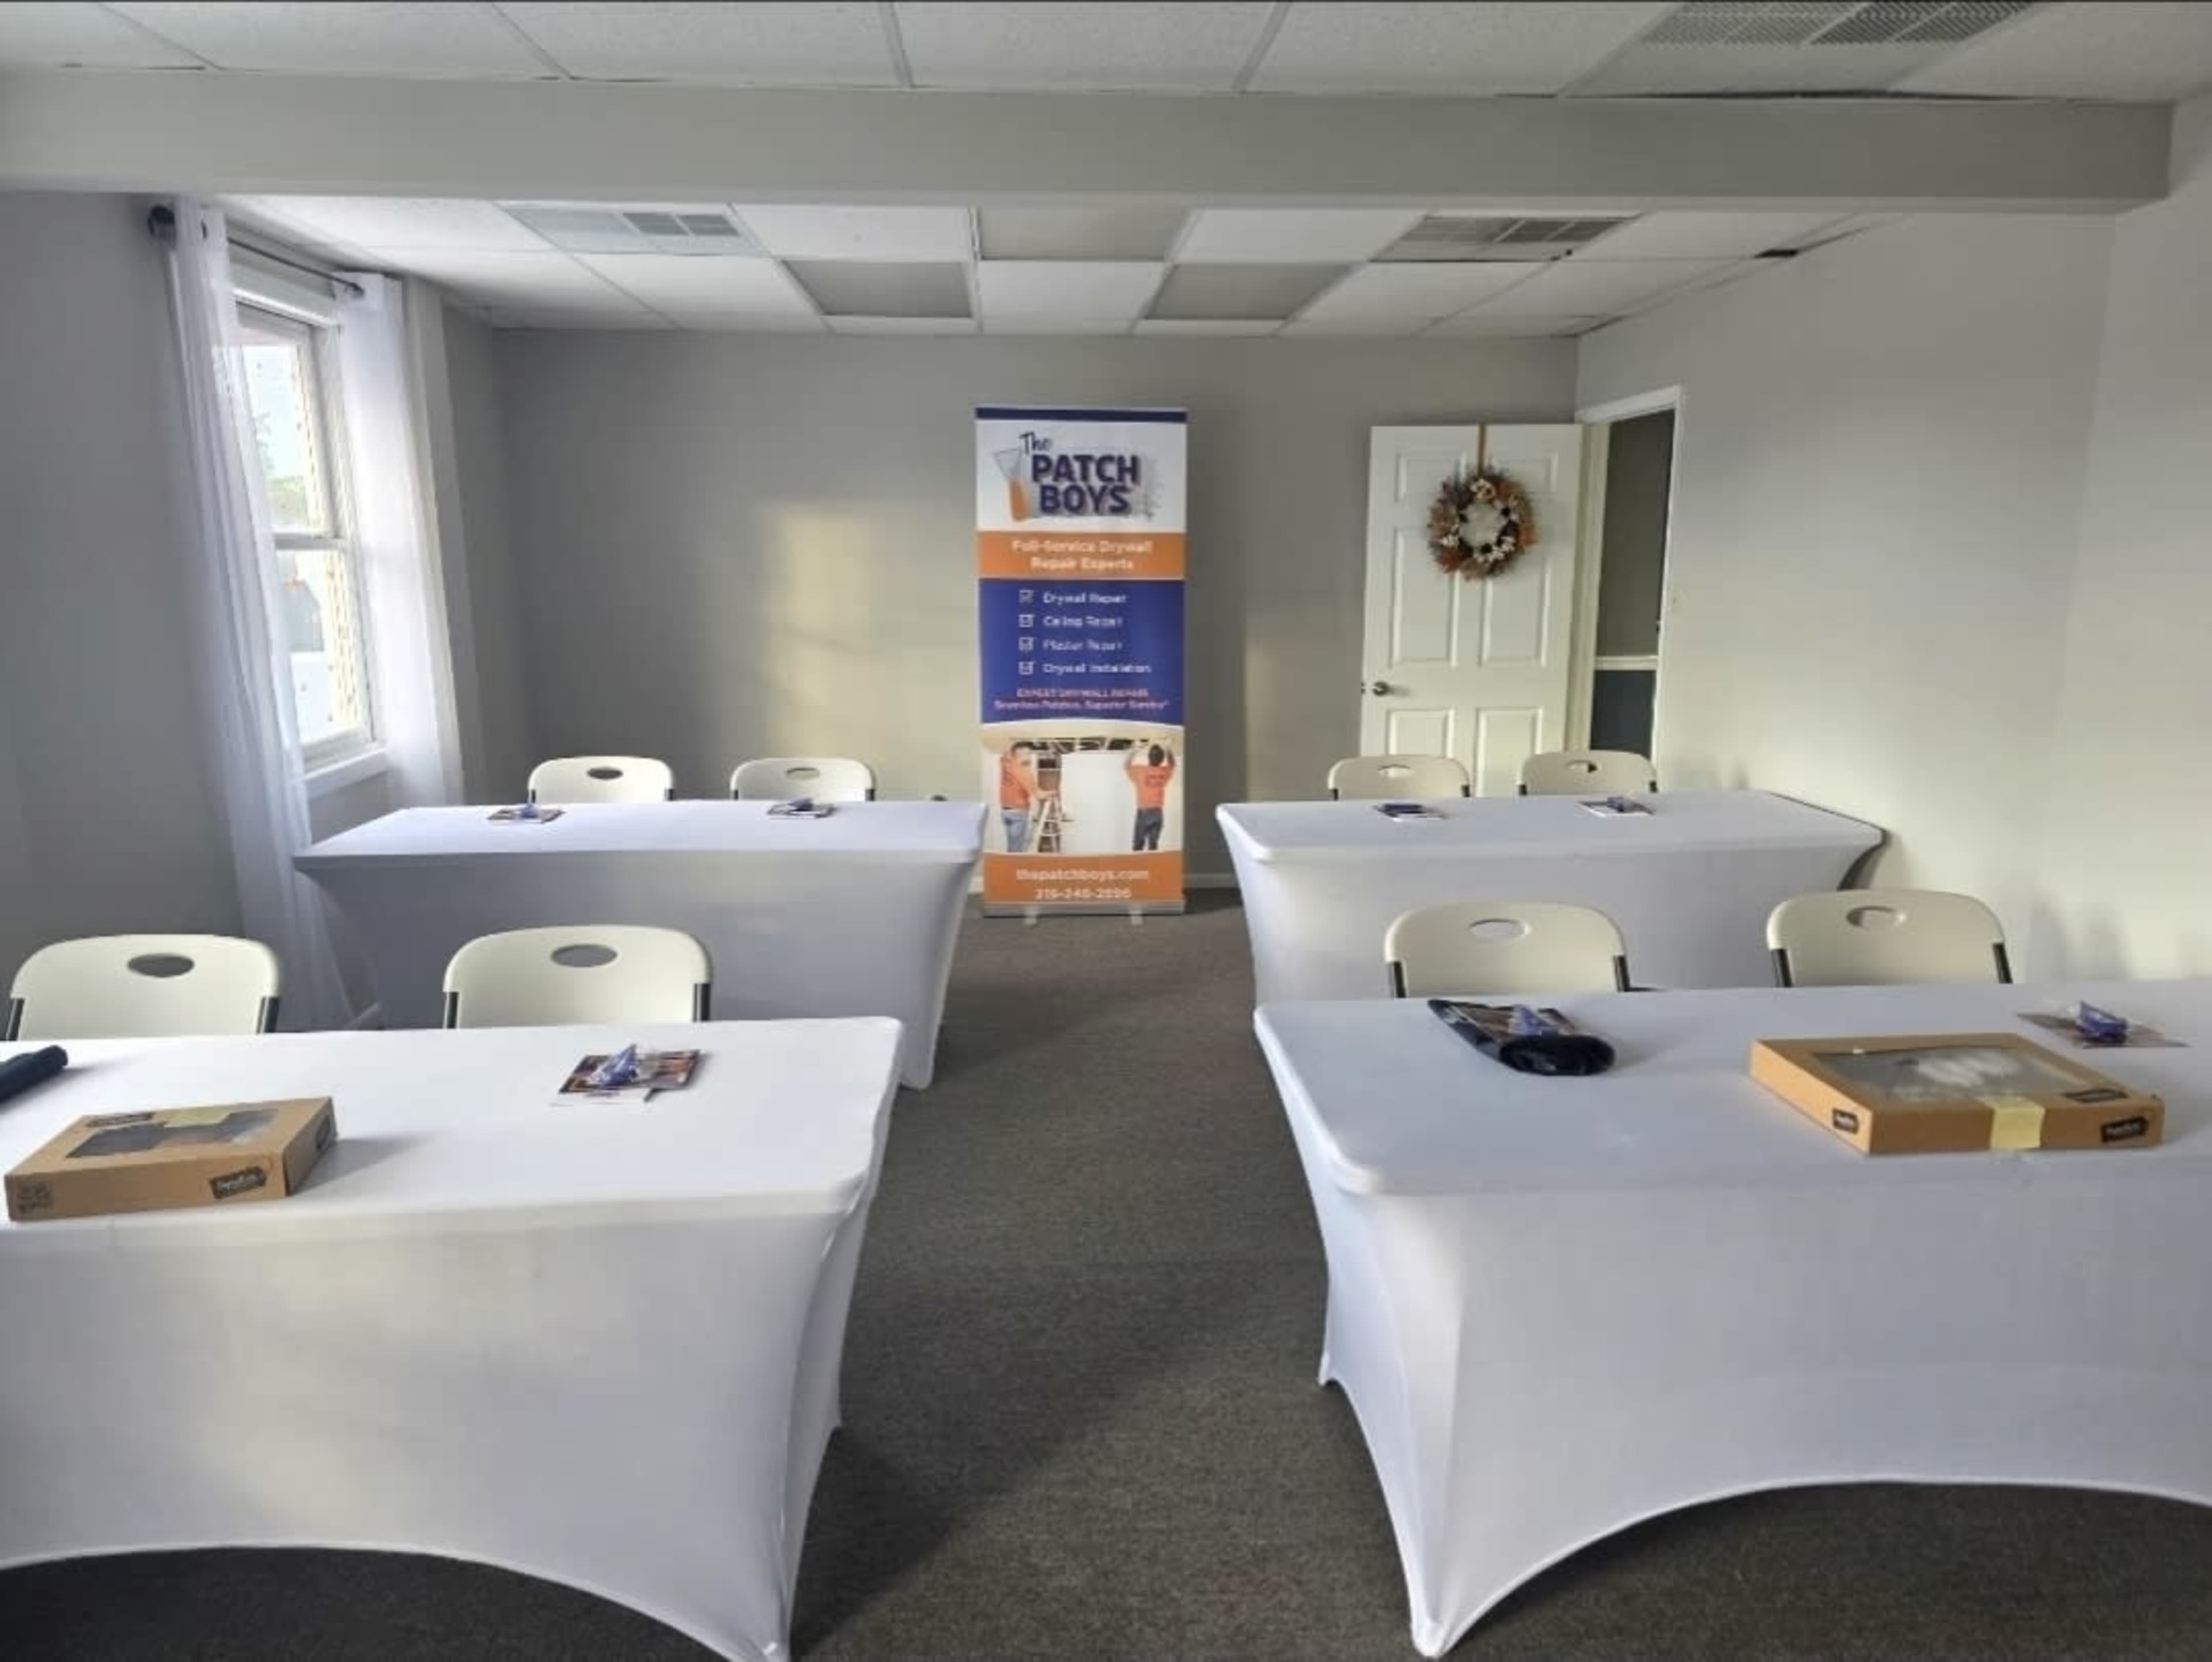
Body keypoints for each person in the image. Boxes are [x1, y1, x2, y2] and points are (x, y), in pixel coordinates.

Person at [1125, 740, 1176, 852]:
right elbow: (1172, 765)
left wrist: (1134, 750)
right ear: (1162, 760)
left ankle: (1139, 868)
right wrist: (1168, 749)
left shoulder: (1140, 771)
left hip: (1144, 812)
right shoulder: (1164, 772)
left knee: (1138, 845)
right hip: (1158, 812)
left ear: (1149, 757)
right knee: (1153, 845)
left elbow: (1127, 766)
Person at [999, 742, 1037, 853]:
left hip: (1006, 812)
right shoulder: (1023, 773)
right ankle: (1013, 869)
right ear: (1021, 755)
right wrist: (1051, 793)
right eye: (1028, 753)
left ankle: (1009, 867)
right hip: (1018, 813)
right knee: (1017, 850)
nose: (1030, 756)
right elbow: (1039, 794)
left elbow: (1005, 754)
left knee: (1012, 845)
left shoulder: (1007, 763)